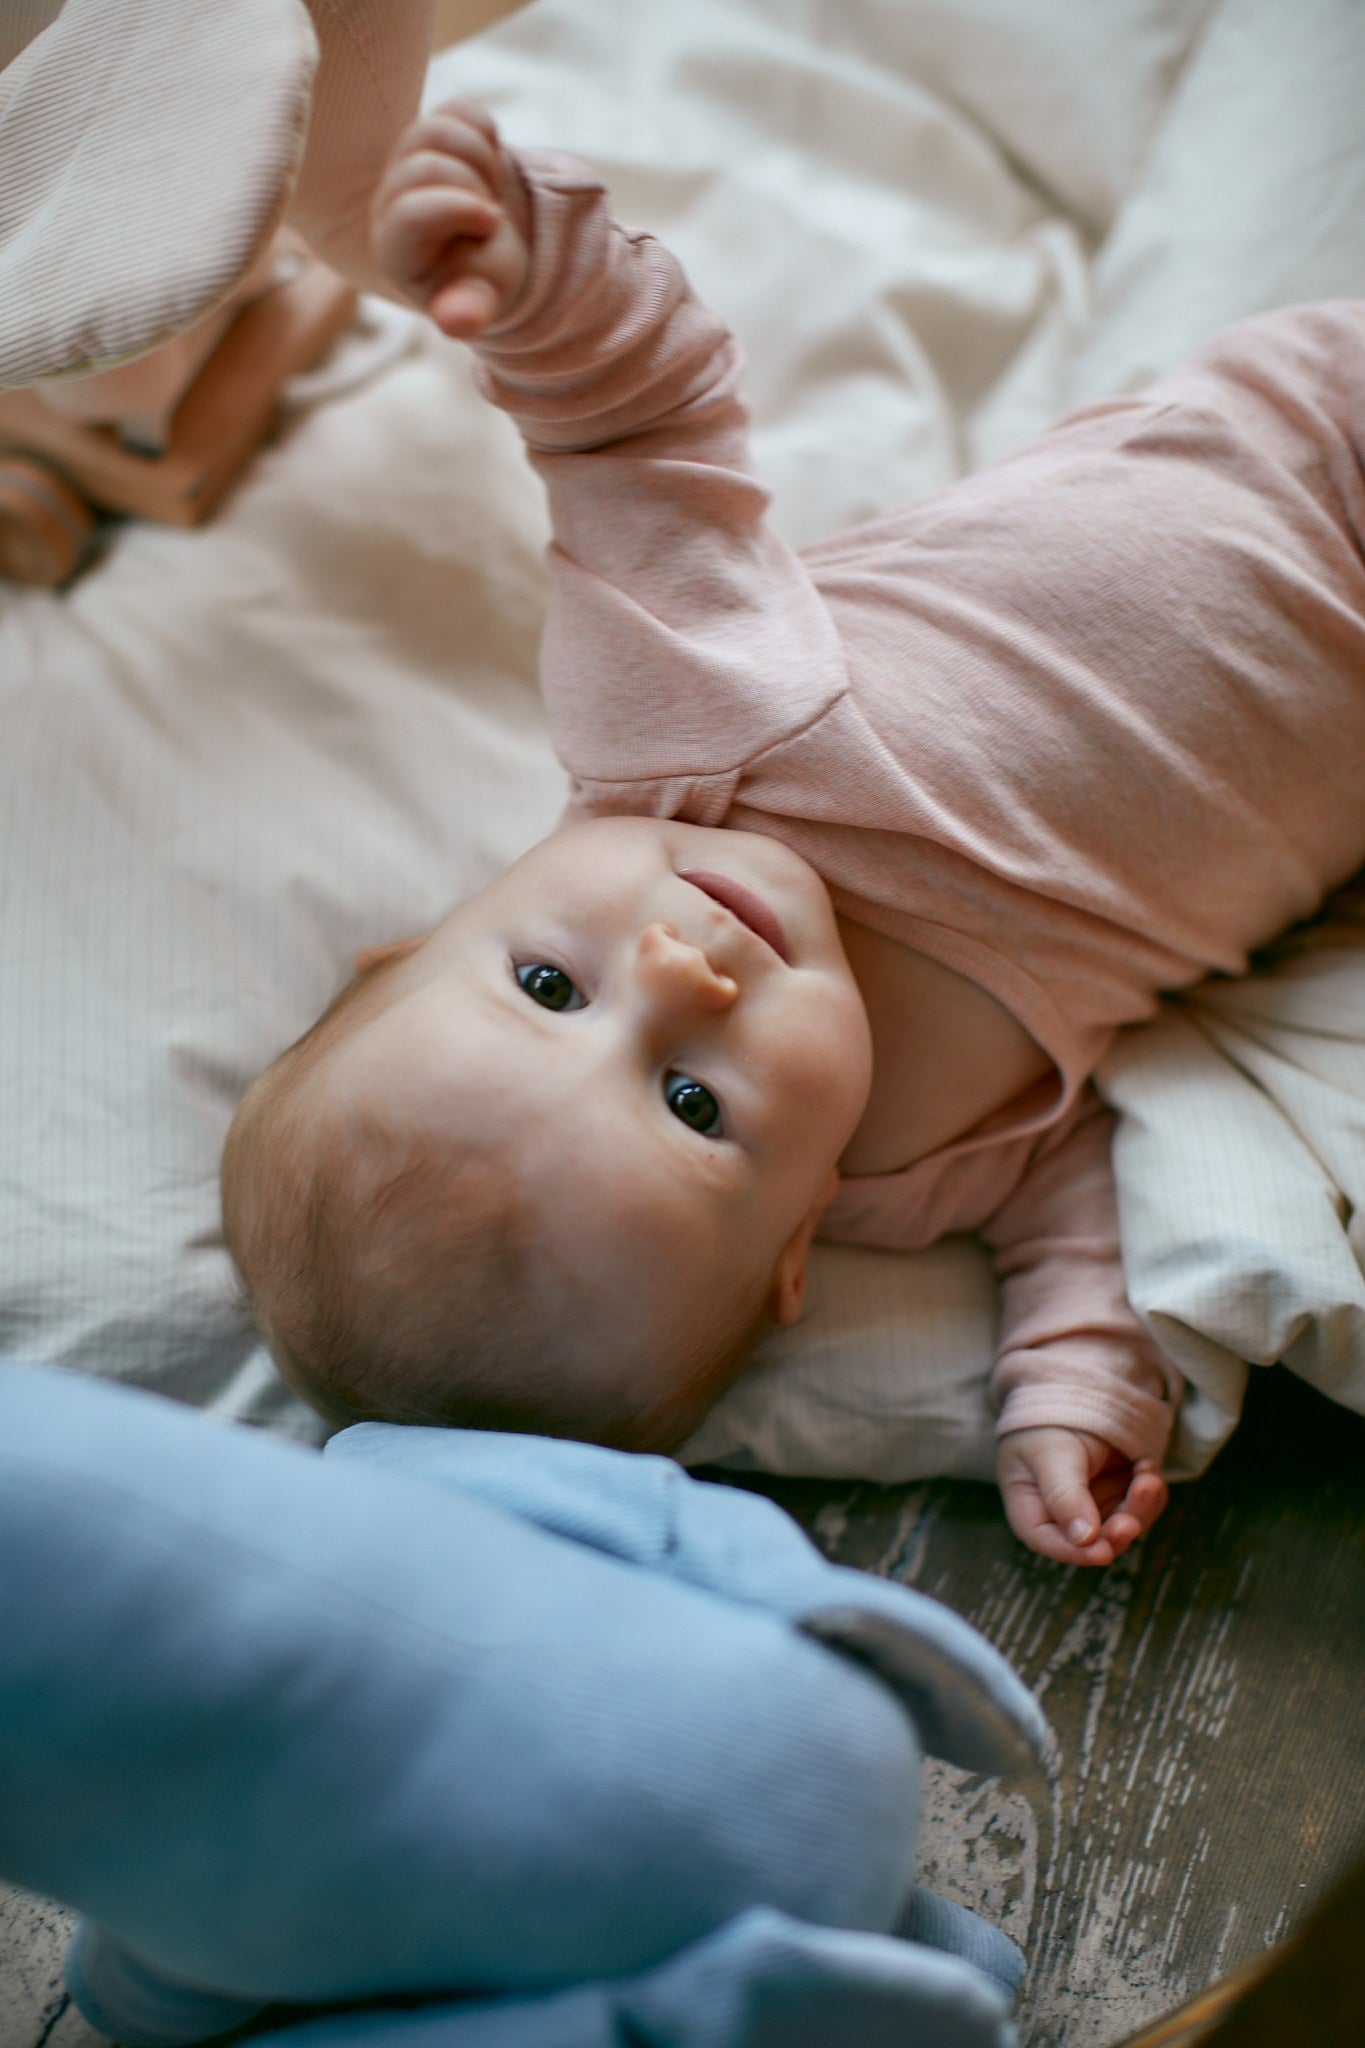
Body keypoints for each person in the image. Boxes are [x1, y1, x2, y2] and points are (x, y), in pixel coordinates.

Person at [222, 102, 1365, 1567]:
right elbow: (1077, 1184)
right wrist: (1073, 1379)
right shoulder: (908, 1171)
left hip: (1309, 459)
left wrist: (537, 288)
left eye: (549, 986)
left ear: (428, 931)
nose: (685, 978)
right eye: (693, 1105)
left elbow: (638, 437)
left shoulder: (680, 737)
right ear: (791, 1251)